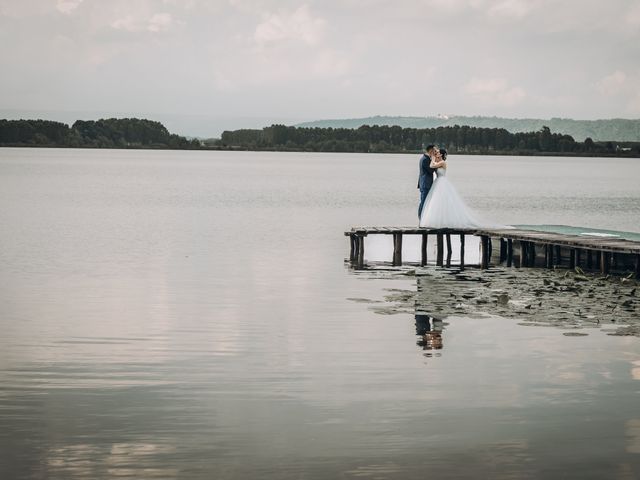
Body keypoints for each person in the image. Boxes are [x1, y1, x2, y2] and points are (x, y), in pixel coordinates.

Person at [419, 148, 508, 229]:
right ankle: (437, 220)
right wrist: (434, 159)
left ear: (441, 155)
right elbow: (433, 166)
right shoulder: (438, 163)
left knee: (443, 202)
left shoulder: (442, 163)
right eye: (435, 152)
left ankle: (444, 221)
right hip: (437, 183)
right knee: (437, 202)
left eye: (437, 152)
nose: (436, 153)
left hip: (442, 182)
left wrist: (433, 159)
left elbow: (431, 166)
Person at [417, 145, 443, 219]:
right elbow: (430, 170)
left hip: (425, 183)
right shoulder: (425, 159)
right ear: (430, 151)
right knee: (424, 201)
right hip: (425, 184)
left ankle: (422, 218)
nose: (435, 153)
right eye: (434, 151)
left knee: (424, 201)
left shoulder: (425, 158)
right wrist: (437, 164)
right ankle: (421, 218)